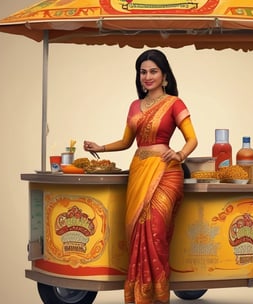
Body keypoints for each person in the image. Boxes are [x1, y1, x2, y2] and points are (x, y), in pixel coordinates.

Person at [84, 49, 198, 304]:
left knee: (155, 229)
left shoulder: (174, 103)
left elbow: (192, 139)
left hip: (166, 174)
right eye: (143, 72)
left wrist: (179, 155)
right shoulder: (134, 106)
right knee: (138, 231)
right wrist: (99, 147)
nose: (147, 76)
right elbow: (127, 142)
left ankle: (156, 296)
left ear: (164, 76)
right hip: (139, 173)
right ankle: (140, 295)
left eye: (153, 71)